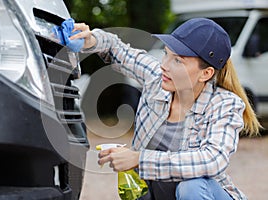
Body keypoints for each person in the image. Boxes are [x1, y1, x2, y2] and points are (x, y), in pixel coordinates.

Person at [69, 18, 262, 200]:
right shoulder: (157, 80)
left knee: (192, 187)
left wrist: (140, 159)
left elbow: (212, 159)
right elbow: (116, 49)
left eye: (177, 60)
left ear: (206, 73)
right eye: (166, 54)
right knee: (137, 188)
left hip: (201, 195)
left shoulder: (225, 104)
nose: (164, 66)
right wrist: (91, 39)